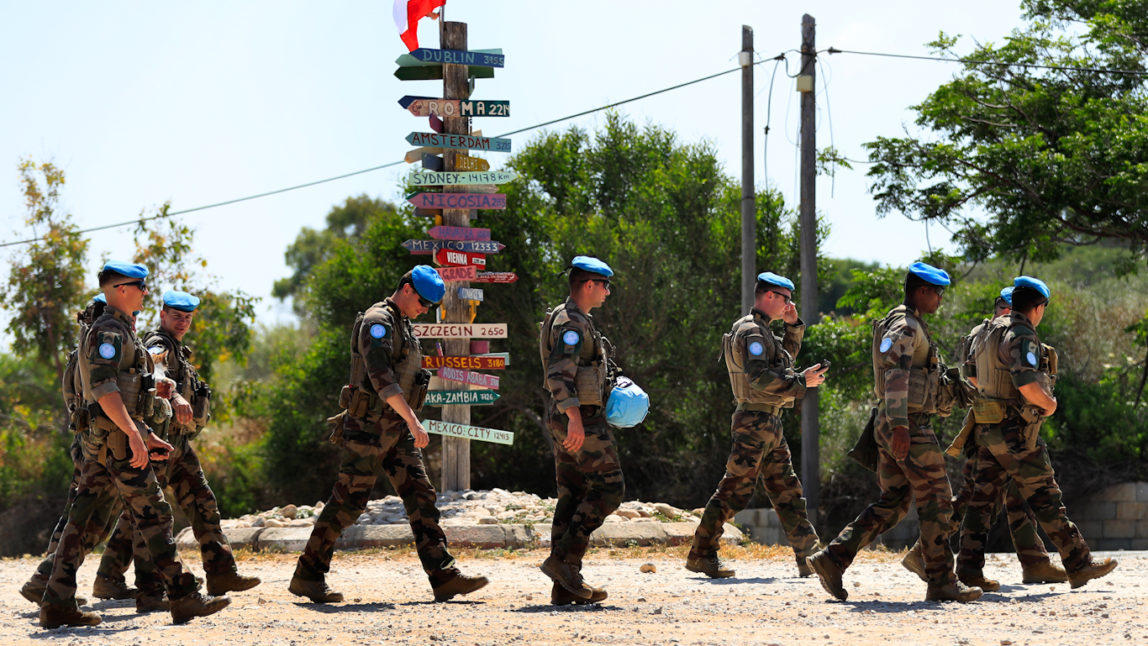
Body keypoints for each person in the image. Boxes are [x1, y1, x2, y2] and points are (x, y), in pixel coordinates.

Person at [39, 262, 230, 628]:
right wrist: (132, 434)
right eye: (140, 287)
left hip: (111, 442)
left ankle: (55, 601)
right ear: (121, 289)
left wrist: (144, 432)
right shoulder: (109, 331)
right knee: (154, 515)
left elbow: (128, 393)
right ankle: (183, 595)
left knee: (83, 523)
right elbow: (104, 389)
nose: (145, 292)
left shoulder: (120, 330)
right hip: (117, 444)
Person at [289, 266, 488, 603]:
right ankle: (308, 575)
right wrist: (413, 421)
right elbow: (381, 379)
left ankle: (443, 575)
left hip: (395, 428)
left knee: (421, 495)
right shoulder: (377, 321)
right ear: (406, 289)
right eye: (423, 302)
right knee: (348, 503)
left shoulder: (403, 324)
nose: (424, 310)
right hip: (368, 428)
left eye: (429, 306)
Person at [809, 262, 981, 603]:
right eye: (937, 292)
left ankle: (833, 558)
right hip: (907, 425)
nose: (940, 299)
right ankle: (941, 580)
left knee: (895, 502)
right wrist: (901, 426)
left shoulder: (904, 322)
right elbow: (895, 376)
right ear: (921, 291)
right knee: (938, 499)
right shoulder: (906, 326)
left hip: (892, 423)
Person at [94, 290, 261, 611]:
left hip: (178, 445)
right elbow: (154, 368)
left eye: (187, 317)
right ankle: (131, 583)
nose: (183, 322)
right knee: (146, 515)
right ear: (163, 315)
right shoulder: (159, 343)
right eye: (176, 316)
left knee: (201, 503)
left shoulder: (179, 350)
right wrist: (175, 396)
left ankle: (221, 572)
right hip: (158, 443)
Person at [957, 276, 1117, 589]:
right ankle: (1079, 563)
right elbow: (1026, 383)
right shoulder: (1021, 333)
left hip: (987, 428)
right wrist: (1050, 404)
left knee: (982, 501)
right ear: (1038, 307)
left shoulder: (990, 331)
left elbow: (973, 376)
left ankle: (968, 570)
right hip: (1015, 432)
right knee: (1046, 495)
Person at [904, 286, 1066, 589]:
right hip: (994, 428)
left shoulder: (989, 334)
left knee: (1017, 497)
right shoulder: (993, 334)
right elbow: (978, 379)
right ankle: (923, 553)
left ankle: (1035, 562)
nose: (1010, 314)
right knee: (975, 497)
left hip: (999, 425)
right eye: (1007, 307)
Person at [686, 272, 827, 579]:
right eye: (786, 299)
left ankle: (810, 557)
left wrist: (793, 327)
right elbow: (759, 378)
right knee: (734, 490)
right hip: (754, 421)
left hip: (768, 422)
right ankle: (701, 553)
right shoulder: (752, 331)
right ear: (769, 296)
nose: (789, 305)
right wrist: (802, 382)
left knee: (787, 491)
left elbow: (783, 362)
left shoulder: (762, 331)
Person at [538, 256, 625, 604]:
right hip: (579, 418)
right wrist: (574, 418)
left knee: (572, 493)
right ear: (589, 285)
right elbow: (559, 374)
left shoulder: (570, 318)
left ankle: (564, 586)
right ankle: (563, 561)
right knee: (610, 488)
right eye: (605, 285)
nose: (607, 292)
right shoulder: (571, 322)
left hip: (568, 415)